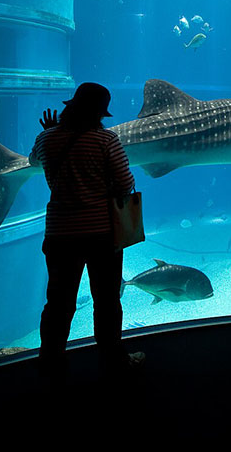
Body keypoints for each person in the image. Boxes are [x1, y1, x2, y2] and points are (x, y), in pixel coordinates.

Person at [30, 82, 143, 386]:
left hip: (60, 234)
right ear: (100, 113)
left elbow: (34, 162)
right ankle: (114, 362)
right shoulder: (106, 140)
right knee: (106, 302)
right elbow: (125, 183)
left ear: (71, 106)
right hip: (101, 234)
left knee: (58, 303)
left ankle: (51, 366)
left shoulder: (46, 139)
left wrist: (50, 132)